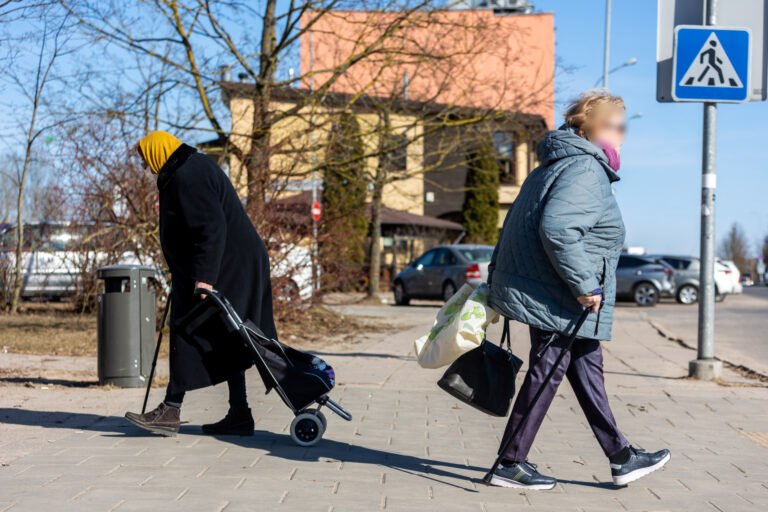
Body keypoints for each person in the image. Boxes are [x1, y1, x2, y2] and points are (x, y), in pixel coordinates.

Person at [486, 91, 670, 489]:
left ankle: (621, 457)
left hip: (553, 289)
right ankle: (509, 462)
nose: (622, 134)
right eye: (616, 125)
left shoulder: (556, 165)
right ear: (592, 128)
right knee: (548, 371)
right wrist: (585, 284)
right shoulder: (585, 168)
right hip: (563, 294)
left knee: (586, 370)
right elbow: (558, 229)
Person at [125, 131, 277, 437]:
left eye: (145, 160)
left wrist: (204, 278)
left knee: (188, 327)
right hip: (229, 262)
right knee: (231, 334)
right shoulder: (188, 168)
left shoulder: (188, 174)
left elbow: (211, 227)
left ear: (157, 152)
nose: (145, 167)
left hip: (229, 266)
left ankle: (171, 410)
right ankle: (239, 414)